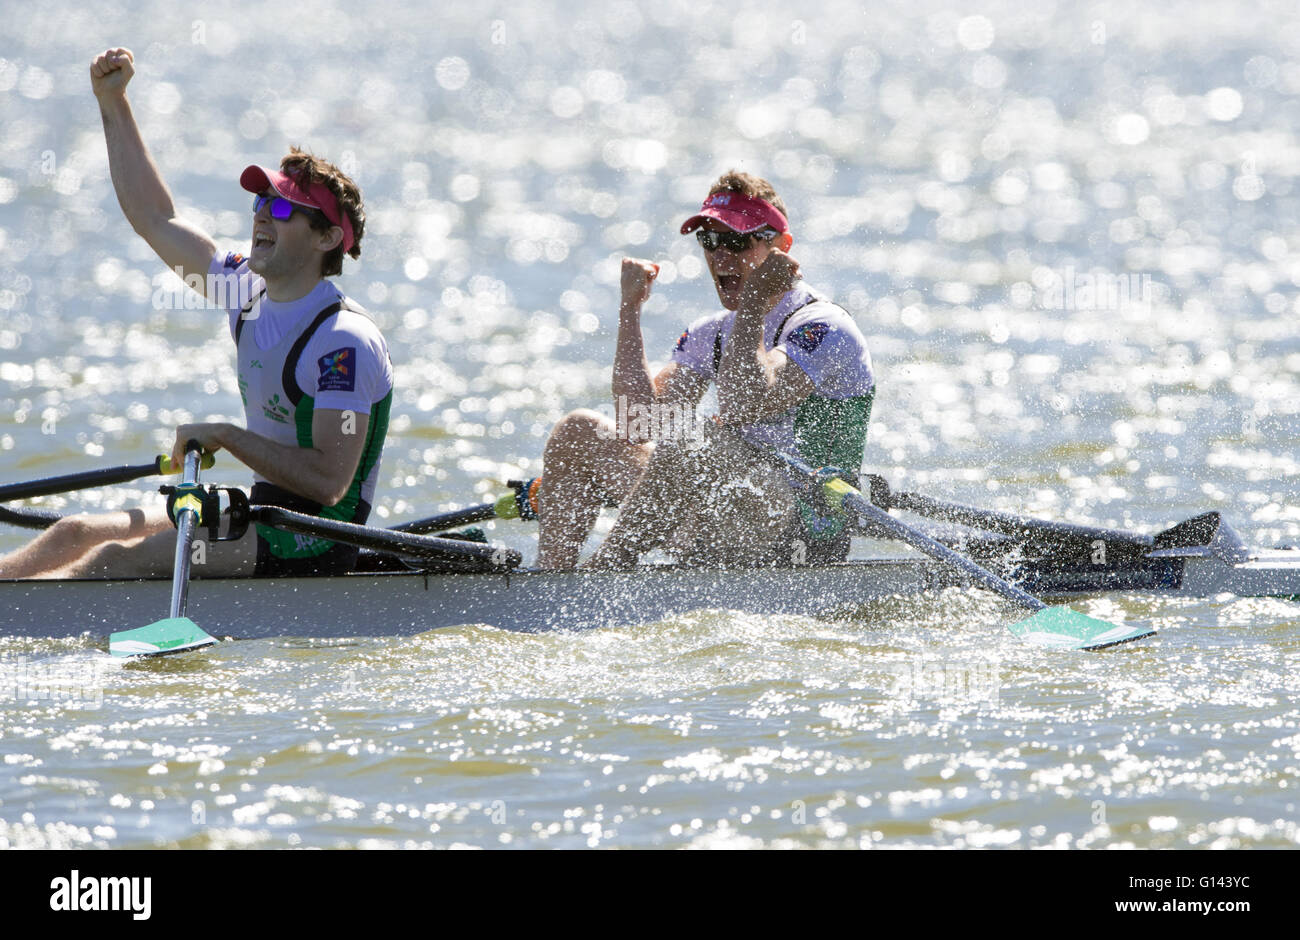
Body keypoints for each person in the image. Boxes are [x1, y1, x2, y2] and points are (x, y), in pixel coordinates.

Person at [0, 47, 392, 580]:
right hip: (264, 514)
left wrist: (228, 436)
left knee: (111, 561)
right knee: (74, 533)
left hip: (315, 540)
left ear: (328, 237)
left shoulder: (344, 341)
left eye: (281, 208)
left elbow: (328, 482)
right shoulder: (245, 290)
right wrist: (113, 102)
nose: (262, 216)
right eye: (259, 203)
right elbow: (155, 218)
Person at [536, 171, 874, 570]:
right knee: (579, 430)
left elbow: (746, 401)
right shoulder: (711, 333)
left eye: (736, 240)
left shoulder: (823, 327)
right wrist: (630, 310)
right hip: (723, 514)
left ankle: (606, 568)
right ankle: (549, 587)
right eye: (709, 241)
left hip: (800, 533)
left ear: (782, 247)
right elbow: (637, 425)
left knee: (693, 435)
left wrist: (752, 304)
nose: (720, 256)